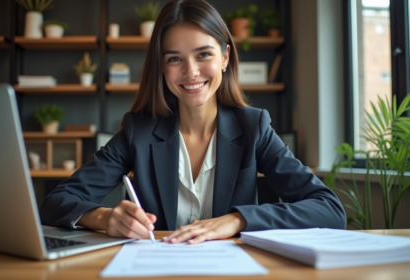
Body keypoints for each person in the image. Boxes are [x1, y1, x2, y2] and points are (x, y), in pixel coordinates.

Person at [40, 0, 346, 244]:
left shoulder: (255, 128)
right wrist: (105, 218)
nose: (191, 72)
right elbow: (56, 201)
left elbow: (329, 209)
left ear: (225, 57)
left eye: (203, 55)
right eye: (174, 59)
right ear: (161, 67)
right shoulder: (139, 130)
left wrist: (237, 220)